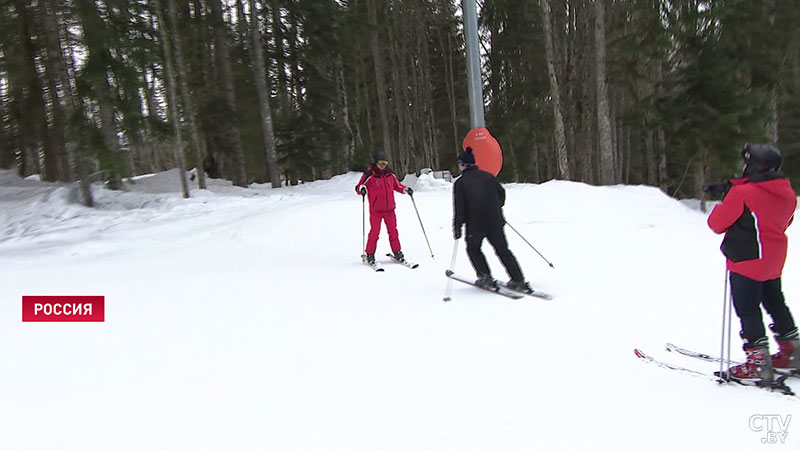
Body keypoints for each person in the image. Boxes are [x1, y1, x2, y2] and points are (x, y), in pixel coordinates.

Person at [708, 143, 799, 384]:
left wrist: (727, 198)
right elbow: (782, 220)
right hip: (773, 258)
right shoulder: (788, 193)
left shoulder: (742, 194)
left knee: (748, 309)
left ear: (755, 167)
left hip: (747, 259)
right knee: (775, 302)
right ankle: (793, 352)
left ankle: (758, 363)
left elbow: (716, 224)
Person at [452, 147, 529, 291]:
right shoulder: (488, 176)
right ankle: (518, 280)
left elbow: (459, 207)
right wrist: (496, 208)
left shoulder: (460, 183)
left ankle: (485, 276)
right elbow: (501, 194)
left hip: (475, 223)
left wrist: (457, 227)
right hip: (495, 221)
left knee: (473, 248)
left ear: (463, 165)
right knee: (502, 249)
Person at [355, 151, 413, 264]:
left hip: (390, 209)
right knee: (375, 232)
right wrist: (362, 190)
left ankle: (397, 252)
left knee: (393, 231)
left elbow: (397, 186)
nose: (383, 165)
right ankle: (370, 254)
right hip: (376, 210)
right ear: (375, 163)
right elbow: (359, 186)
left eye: (385, 162)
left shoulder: (390, 174)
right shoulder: (369, 175)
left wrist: (405, 189)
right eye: (381, 163)